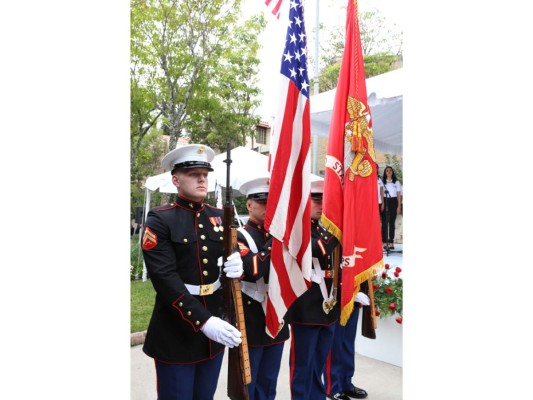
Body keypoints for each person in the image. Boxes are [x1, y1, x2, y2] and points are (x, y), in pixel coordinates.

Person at [140, 143, 244, 400]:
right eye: (193, 173)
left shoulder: (220, 216)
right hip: (177, 331)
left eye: (205, 174)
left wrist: (238, 262)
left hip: (215, 328)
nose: (201, 178)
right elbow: (165, 279)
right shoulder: (160, 220)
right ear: (176, 180)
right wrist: (204, 321)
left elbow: (235, 252)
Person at [235, 175, 289, 400]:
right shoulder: (239, 235)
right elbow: (252, 268)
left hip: (277, 315)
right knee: (250, 383)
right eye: (263, 202)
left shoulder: (279, 235)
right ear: (249, 204)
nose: (269, 207)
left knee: (269, 382)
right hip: (253, 320)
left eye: (272, 202)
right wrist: (276, 239)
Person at [286, 179, 341, 400]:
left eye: (324, 201)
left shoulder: (323, 229)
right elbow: (320, 250)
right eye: (316, 201)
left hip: (328, 306)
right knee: (302, 365)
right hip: (306, 308)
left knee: (318, 361)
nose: (322, 205)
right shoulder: (300, 230)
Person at [381, 165, 402, 250]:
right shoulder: (382, 182)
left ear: (392, 172)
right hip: (385, 201)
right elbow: (381, 194)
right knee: (385, 223)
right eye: (387, 171)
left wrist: (399, 206)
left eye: (390, 170)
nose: (389, 172)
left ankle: (391, 241)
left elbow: (399, 196)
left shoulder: (396, 182)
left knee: (392, 223)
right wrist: (382, 203)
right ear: (385, 173)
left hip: (393, 202)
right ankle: (385, 241)